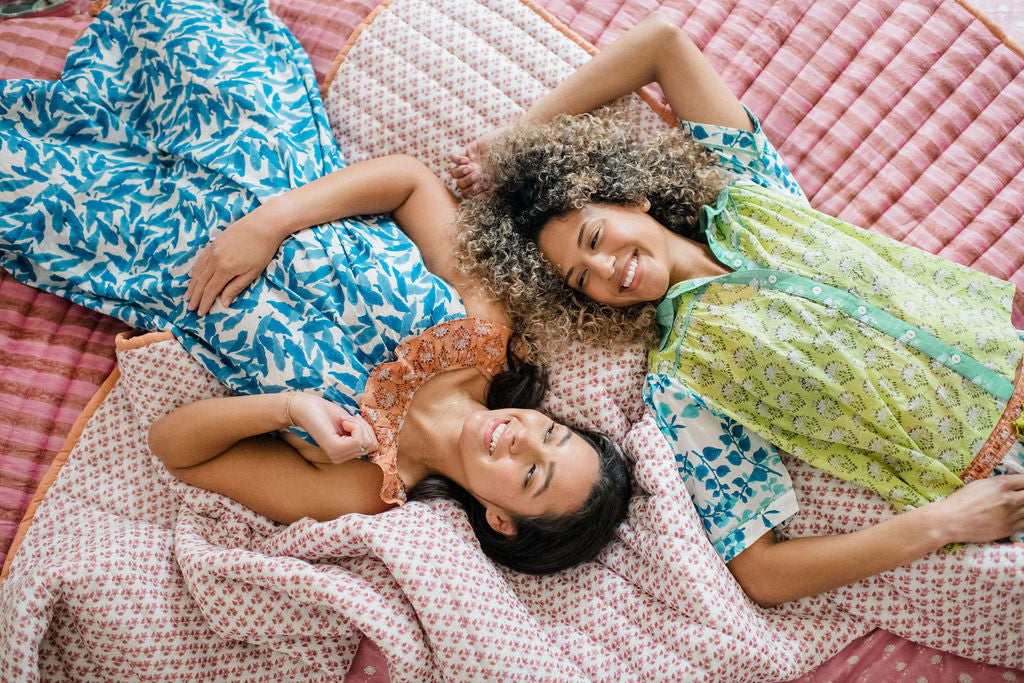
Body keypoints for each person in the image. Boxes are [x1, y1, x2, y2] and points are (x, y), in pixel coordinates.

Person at [0, 0, 630, 575]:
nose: (523, 438)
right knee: (173, 19)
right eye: (552, 435)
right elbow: (410, 182)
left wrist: (286, 410)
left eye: (531, 475)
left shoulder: (360, 485)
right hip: (265, 159)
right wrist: (271, 220)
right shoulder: (485, 333)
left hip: (153, 247)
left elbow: (176, 449)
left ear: (500, 520)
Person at [451, 12, 1024, 603]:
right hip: (997, 477)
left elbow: (662, 43)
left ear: (632, 198)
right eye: (580, 278)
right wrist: (940, 524)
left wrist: (508, 143)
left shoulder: (749, 188)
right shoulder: (681, 382)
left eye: (594, 238)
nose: (604, 270)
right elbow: (762, 573)